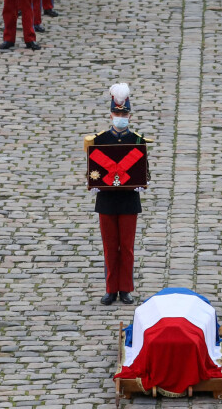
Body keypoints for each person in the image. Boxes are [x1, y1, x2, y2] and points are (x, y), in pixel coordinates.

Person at [89, 83, 150, 306]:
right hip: (106, 199)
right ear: (111, 114)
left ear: (129, 115)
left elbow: (144, 169)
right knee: (109, 247)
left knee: (126, 247)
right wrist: (92, 182)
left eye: (124, 113)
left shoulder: (137, 140)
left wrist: (143, 183)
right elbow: (93, 168)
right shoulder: (100, 140)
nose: (120, 116)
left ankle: (125, 288)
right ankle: (110, 288)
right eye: (117, 113)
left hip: (128, 200)